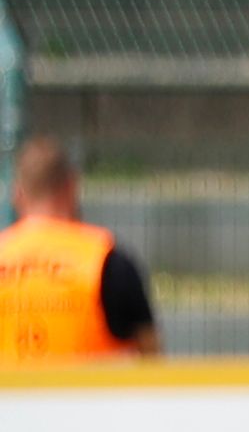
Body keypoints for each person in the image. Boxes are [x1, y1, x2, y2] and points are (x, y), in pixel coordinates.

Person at [0, 137, 156, 360]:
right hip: (88, 394)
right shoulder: (108, 261)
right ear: (71, 186)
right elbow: (152, 359)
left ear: (17, 194)